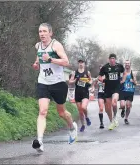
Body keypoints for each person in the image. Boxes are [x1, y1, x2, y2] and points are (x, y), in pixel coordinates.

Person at [31, 23, 77, 152]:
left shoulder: (56, 45)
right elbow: (39, 57)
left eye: (45, 31)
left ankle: (72, 127)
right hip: (43, 82)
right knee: (42, 111)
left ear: (50, 33)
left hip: (58, 83)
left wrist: (51, 59)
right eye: (40, 31)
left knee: (61, 112)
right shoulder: (38, 46)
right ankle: (39, 141)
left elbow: (66, 62)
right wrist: (36, 64)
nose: (42, 34)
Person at [98, 54, 127, 130]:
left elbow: (124, 73)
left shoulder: (119, 66)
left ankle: (115, 117)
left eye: (113, 58)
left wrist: (123, 80)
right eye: (110, 58)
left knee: (114, 103)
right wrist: (102, 80)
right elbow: (99, 77)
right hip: (107, 88)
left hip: (116, 88)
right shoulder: (105, 67)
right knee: (107, 108)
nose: (112, 60)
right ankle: (112, 122)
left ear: (115, 59)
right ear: (109, 59)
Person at [68, 59, 92, 132]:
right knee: (80, 111)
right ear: (78, 64)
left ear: (84, 64)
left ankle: (87, 118)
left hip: (85, 92)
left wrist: (89, 83)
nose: (81, 64)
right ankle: (83, 125)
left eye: (82, 63)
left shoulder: (87, 72)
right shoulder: (74, 73)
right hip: (77, 93)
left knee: (83, 107)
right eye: (79, 63)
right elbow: (70, 81)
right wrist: (75, 80)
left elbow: (91, 80)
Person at [118, 60, 137, 124]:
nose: (127, 64)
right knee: (123, 105)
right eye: (126, 63)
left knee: (128, 106)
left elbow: (136, 83)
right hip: (122, 90)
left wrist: (133, 81)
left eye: (128, 63)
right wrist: (121, 82)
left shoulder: (133, 73)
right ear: (124, 64)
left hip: (130, 91)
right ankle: (123, 110)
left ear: (130, 64)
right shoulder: (121, 73)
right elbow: (118, 81)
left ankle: (126, 118)